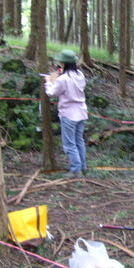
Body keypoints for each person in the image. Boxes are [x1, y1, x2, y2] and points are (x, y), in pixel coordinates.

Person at [44, 49, 88, 178]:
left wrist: (48, 82)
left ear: (64, 63)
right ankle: (83, 167)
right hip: (81, 112)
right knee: (79, 141)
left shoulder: (63, 79)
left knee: (69, 144)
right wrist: (58, 75)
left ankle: (75, 170)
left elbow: (52, 93)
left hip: (69, 114)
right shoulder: (80, 75)